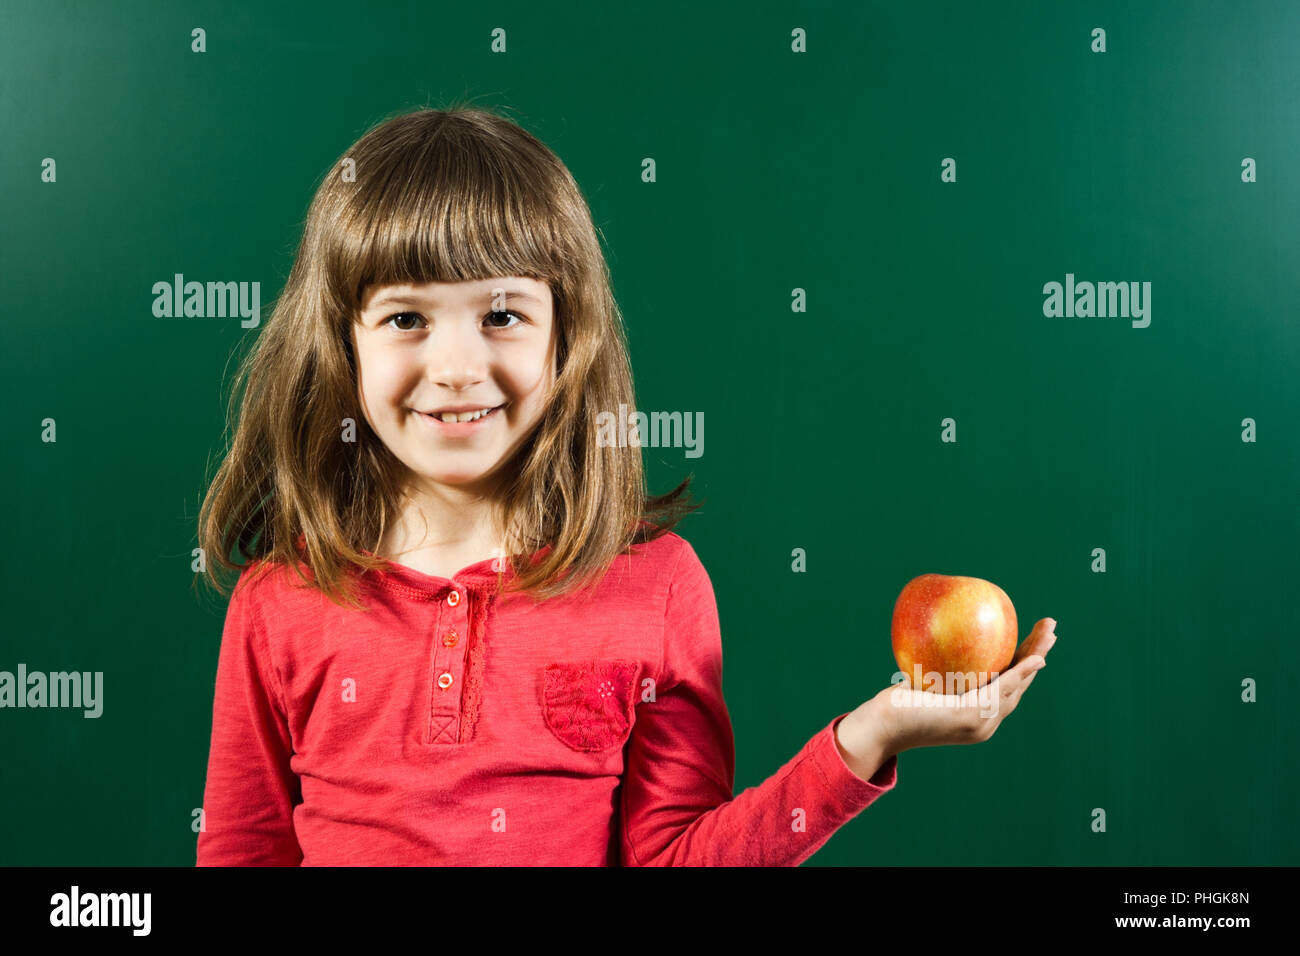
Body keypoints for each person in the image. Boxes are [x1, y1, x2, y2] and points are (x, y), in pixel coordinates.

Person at [194, 104, 1057, 866]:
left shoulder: (657, 589)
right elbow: (243, 852)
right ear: (344, 346)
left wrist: (867, 740)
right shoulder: (280, 602)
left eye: (502, 315)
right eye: (405, 318)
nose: (455, 366)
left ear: (567, 340)